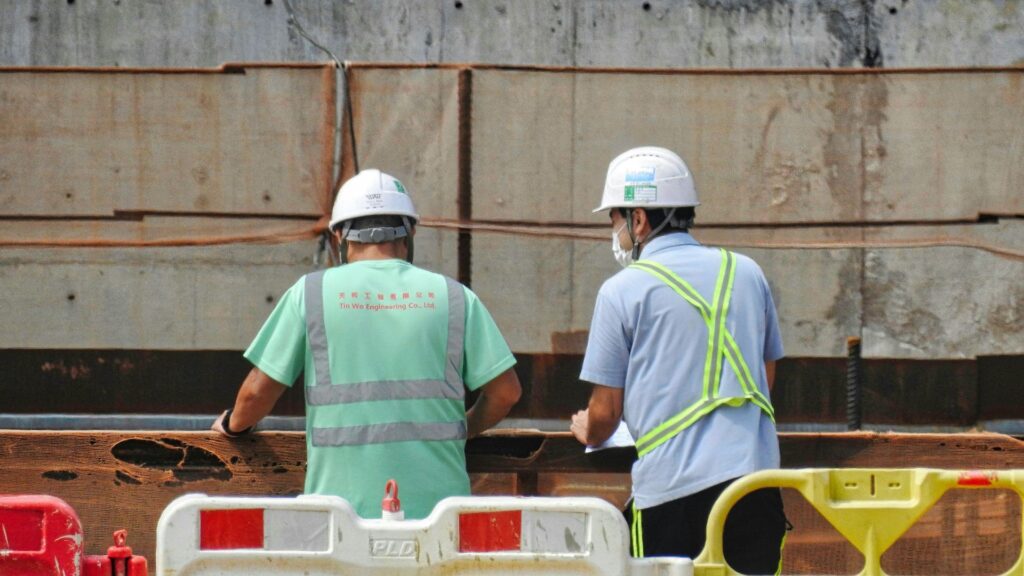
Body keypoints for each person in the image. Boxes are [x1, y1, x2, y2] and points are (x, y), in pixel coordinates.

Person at [213, 168, 522, 520]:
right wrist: (461, 429)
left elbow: (257, 393)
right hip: (439, 513)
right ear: (411, 231)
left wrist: (232, 426)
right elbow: (506, 392)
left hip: (340, 514)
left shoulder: (311, 294)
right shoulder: (454, 297)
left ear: (339, 235)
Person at [570, 147, 787, 572]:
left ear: (639, 219)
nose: (615, 232)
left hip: (671, 492)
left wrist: (588, 428)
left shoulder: (620, 291)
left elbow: (607, 412)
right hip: (755, 484)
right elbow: (766, 374)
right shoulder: (747, 272)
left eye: (615, 219)